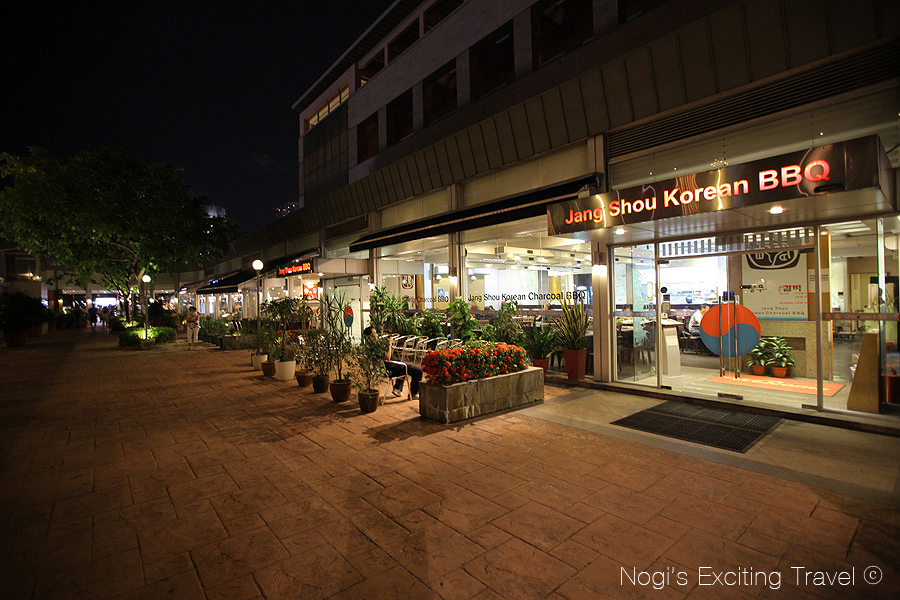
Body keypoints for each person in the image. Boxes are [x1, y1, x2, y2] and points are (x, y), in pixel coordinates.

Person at [363, 325, 422, 398]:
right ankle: (413, 394)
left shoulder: (369, 346)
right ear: (370, 336)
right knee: (418, 371)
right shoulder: (375, 347)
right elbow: (387, 357)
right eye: (375, 333)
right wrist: (389, 344)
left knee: (402, 366)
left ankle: (397, 389)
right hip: (391, 369)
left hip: (391, 367)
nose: (377, 335)